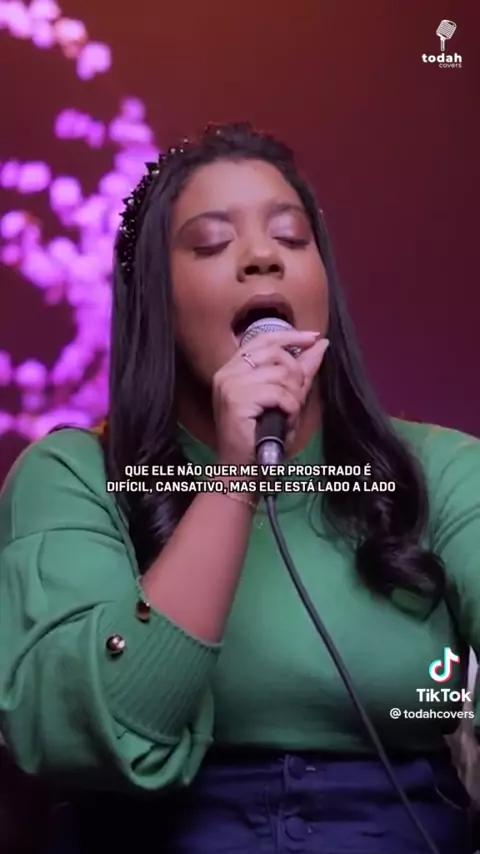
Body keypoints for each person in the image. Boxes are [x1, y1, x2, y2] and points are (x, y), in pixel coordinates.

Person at [0, 121, 478, 854]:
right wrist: (233, 478)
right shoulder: (72, 476)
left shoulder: (440, 470)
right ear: (155, 297)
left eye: (291, 237)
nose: (262, 257)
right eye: (212, 243)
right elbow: (86, 736)